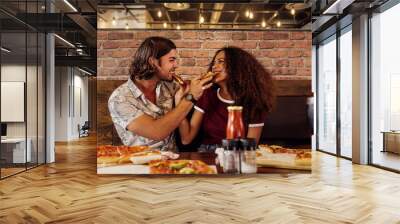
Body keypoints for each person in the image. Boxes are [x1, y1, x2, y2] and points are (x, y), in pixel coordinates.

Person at [108, 36, 212, 151]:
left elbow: (194, 87)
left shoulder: (170, 86)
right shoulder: (120, 99)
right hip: (141, 164)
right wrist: (190, 97)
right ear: (153, 62)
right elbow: (157, 131)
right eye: (171, 60)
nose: (176, 65)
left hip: (174, 160)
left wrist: (185, 95)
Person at [176, 47, 275, 152]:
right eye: (214, 63)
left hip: (237, 153)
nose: (214, 67)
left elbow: (250, 147)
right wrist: (179, 101)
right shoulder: (207, 94)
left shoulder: (254, 101)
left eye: (221, 62)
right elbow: (186, 139)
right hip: (207, 153)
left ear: (237, 66)